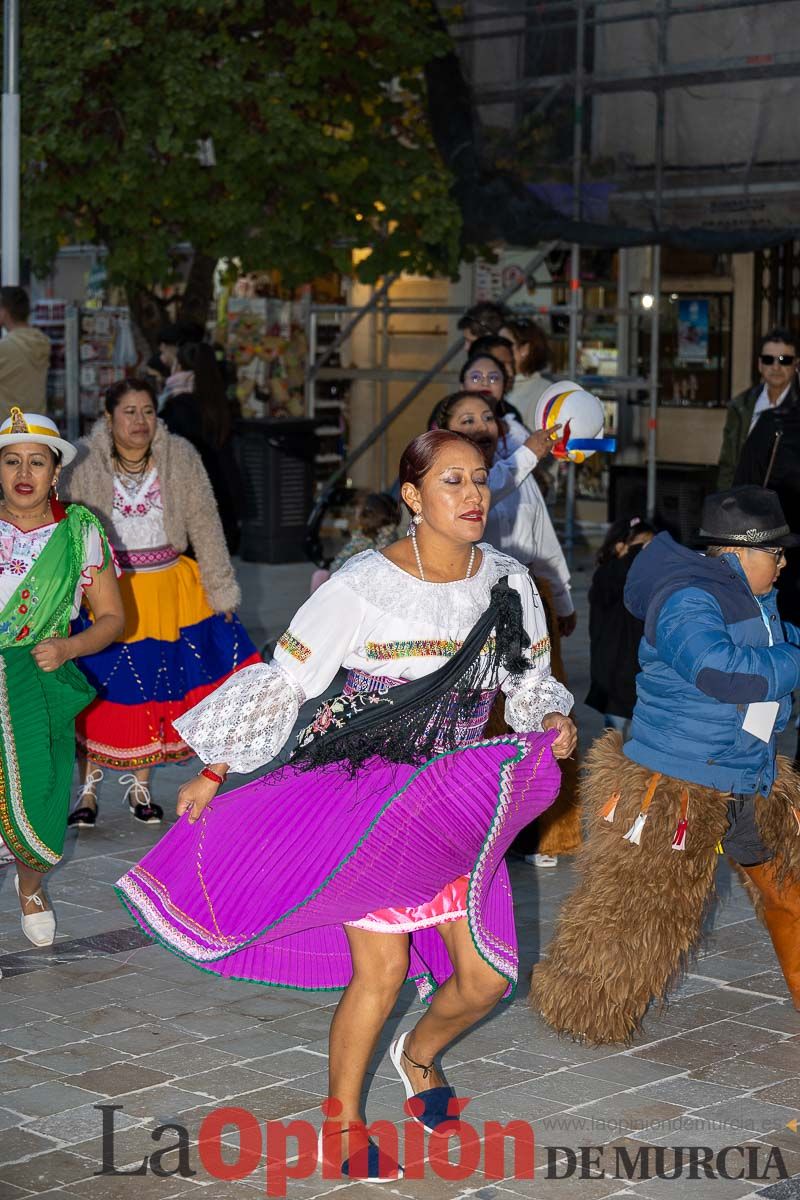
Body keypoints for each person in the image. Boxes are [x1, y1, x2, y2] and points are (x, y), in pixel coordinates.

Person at [116, 429, 576, 1181]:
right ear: (413, 496)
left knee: (487, 980)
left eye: (477, 481)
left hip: (460, 798)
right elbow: (287, 678)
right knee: (383, 970)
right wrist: (215, 768)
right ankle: (342, 1125)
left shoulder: (509, 580)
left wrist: (548, 719)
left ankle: (418, 1055)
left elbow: (527, 678)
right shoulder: (366, 582)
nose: (470, 496)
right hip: (369, 795)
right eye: (451, 482)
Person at [531, 486, 800, 1043]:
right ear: (739, 552)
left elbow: (769, 655)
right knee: (637, 917)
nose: (783, 562)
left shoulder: (753, 596)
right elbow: (720, 672)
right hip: (678, 785)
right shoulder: (686, 598)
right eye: (775, 553)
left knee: (791, 890)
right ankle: (582, 1010)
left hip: (750, 774)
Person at [60, 378, 259, 827]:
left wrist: (220, 588)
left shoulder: (180, 456)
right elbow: (67, 531)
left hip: (168, 589)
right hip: (104, 590)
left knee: (152, 687)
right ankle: (88, 792)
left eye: (148, 411)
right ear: (108, 417)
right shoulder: (83, 460)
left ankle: (140, 788)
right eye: (128, 412)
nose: (139, 421)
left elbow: (206, 522)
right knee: (99, 690)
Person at [429, 390, 578, 865]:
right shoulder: (454, 479)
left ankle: (542, 830)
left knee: (540, 710)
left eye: (487, 417)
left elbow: (542, 537)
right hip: (467, 612)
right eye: (465, 417)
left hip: (529, 600)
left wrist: (562, 592)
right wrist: (532, 451)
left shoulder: (515, 472)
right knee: (478, 724)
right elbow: (501, 479)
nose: (479, 425)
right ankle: (478, 830)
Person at [0, 408, 123, 945]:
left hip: (40, 678)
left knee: (44, 795)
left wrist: (70, 644)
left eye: (36, 461)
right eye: (10, 461)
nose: (23, 472)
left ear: (55, 472)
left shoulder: (80, 531)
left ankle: (30, 886)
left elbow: (115, 619)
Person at [160, 341, 243, 553]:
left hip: (190, 505)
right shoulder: (221, 402)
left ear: (179, 367)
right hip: (221, 501)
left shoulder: (178, 407)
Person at [585, 516, 656, 738]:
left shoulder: (647, 581)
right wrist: (636, 554)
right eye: (641, 547)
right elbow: (618, 575)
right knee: (615, 750)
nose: (647, 555)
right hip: (615, 680)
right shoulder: (607, 576)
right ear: (619, 547)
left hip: (641, 679)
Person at [718, 328, 799, 489]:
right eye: (769, 359)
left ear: (796, 365)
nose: (776, 367)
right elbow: (729, 464)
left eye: (784, 360)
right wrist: (726, 504)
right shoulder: (741, 406)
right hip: (746, 504)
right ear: (759, 365)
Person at [0, 288, 52, 424]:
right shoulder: (42, 341)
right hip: (37, 425)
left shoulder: (5, 347)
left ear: (4, 311)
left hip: (9, 429)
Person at [506, 320, 552, 433]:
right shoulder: (497, 384)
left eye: (505, 344)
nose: (498, 349)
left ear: (524, 350)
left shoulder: (545, 391)